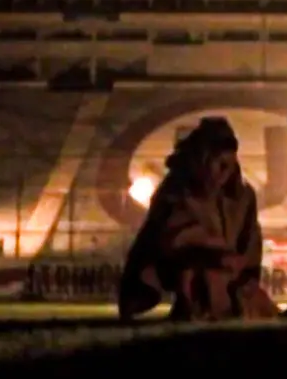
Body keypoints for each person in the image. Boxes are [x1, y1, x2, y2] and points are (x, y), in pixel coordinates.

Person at [117, 117, 278, 322]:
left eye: (228, 164)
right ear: (201, 158)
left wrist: (243, 268)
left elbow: (251, 243)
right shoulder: (176, 191)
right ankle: (199, 307)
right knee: (201, 276)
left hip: (228, 273)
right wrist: (217, 254)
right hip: (187, 268)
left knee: (244, 298)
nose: (223, 171)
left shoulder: (242, 197)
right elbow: (175, 238)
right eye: (217, 162)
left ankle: (222, 305)